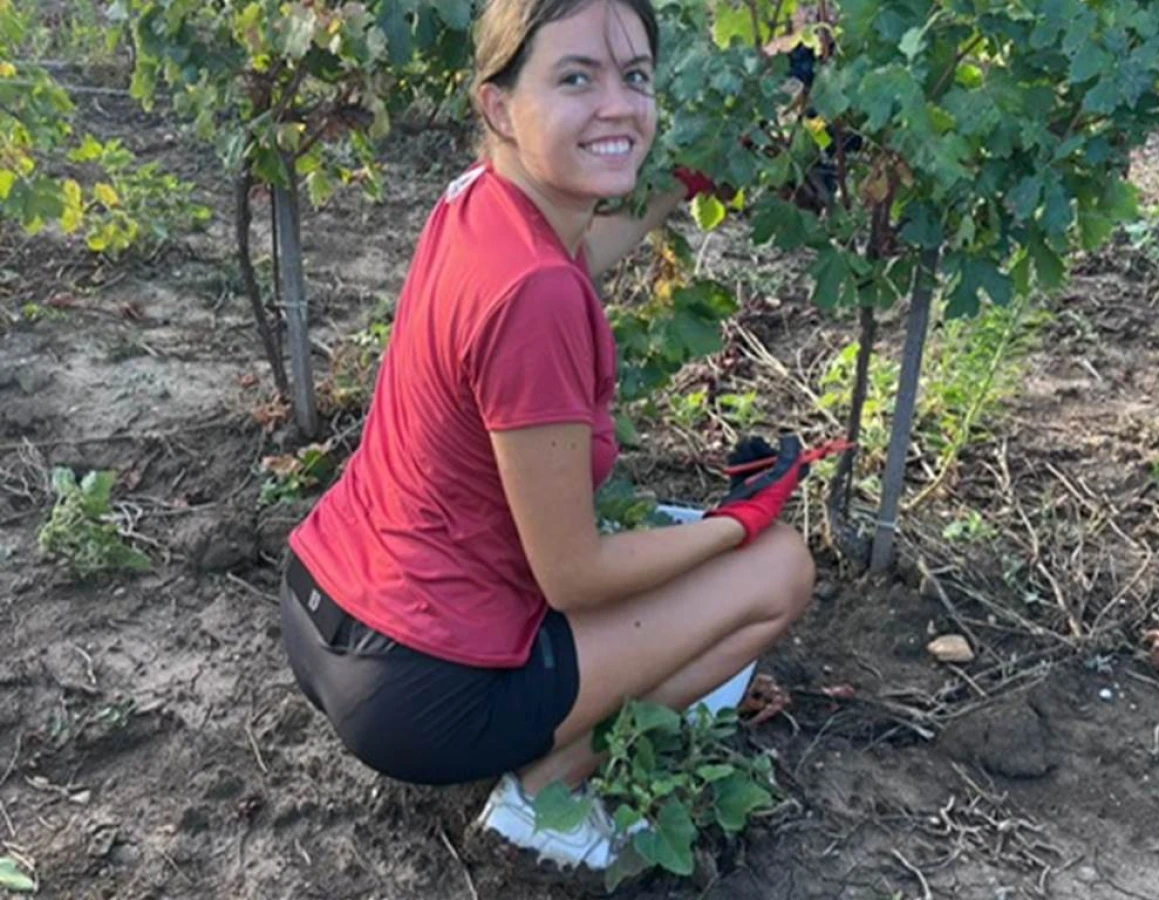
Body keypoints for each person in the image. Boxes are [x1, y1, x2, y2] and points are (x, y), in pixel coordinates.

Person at [278, 0, 815, 872]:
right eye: (577, 78)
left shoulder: (481, 202)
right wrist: (742, 520)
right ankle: (545, 798)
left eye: (634, 77)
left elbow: (578, 254)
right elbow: (573, 576)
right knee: (778, 569)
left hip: (324, 610)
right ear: (497, 104)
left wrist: (690, 179)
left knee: (687, 547)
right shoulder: (535, 298)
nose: (618, 104)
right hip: (421, 693)